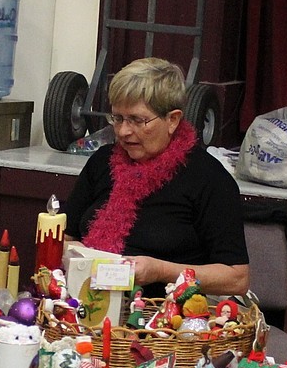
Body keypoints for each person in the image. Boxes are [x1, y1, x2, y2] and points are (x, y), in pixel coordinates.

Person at [63, 58, 249, 298]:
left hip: (165, 319)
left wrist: (160, 271)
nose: (123, 131)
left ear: (172, 120)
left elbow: (236, 278)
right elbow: (65, 237)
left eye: (137, 120)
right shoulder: (102, 162)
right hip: (86, 303)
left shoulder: (209, 179)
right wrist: (73, 252)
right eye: (117, 118)